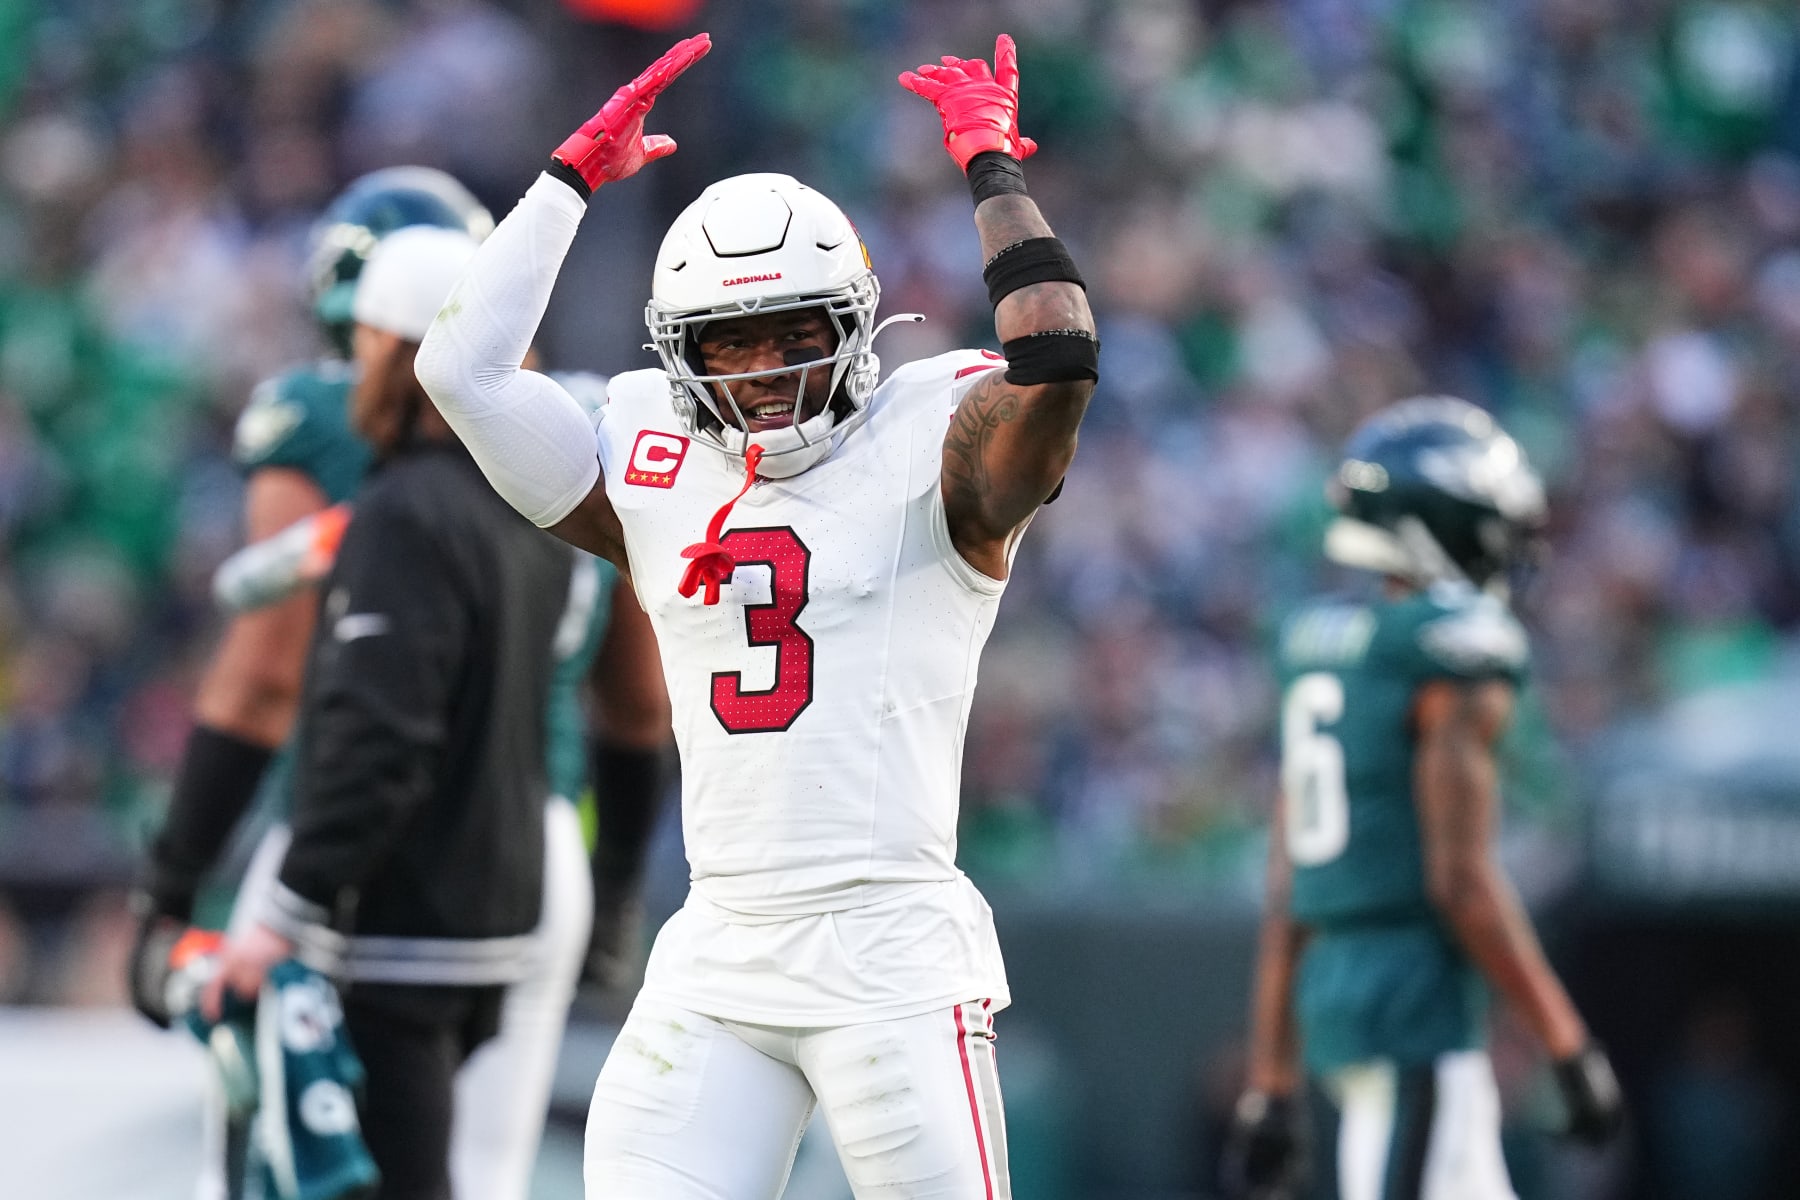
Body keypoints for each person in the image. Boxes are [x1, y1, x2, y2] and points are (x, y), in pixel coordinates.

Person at [415, 29, 1099, 1199]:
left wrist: (993, 168)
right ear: (681, 356)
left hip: (890, 951)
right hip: (719, 953)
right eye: (737, 343)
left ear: (859, 325)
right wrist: (568, 178)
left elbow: (1060, 355)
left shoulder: (938, 439)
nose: (772, 372)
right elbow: (460, 372)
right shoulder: (650, 456)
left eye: (800, 334)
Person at [130, 169, 671, 1200]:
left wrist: (180, 883)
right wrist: (612, 903)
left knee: (286, 1156)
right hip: (535, 856)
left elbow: (267, 681)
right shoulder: (578, 438)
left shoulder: (364, 458)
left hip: (375, 865)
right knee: (487, 1175)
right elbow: (637, 702)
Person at [199, 224, 573, 1200]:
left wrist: (285, 911)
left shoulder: (406, 509)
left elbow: (380, 739)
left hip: (403, 929)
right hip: (498, 913)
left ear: (389, 351)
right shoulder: (533, 508)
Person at [1226, 398, 1624, 1200]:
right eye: (1494, 519)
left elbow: (1289, 889)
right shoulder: (1449, 651)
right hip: (1416, 1013)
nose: (1509, 541)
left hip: (1345, 1001)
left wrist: (1270, 1081)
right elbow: (1461, 882)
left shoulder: (1321, 645)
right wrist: (1566, 1043)